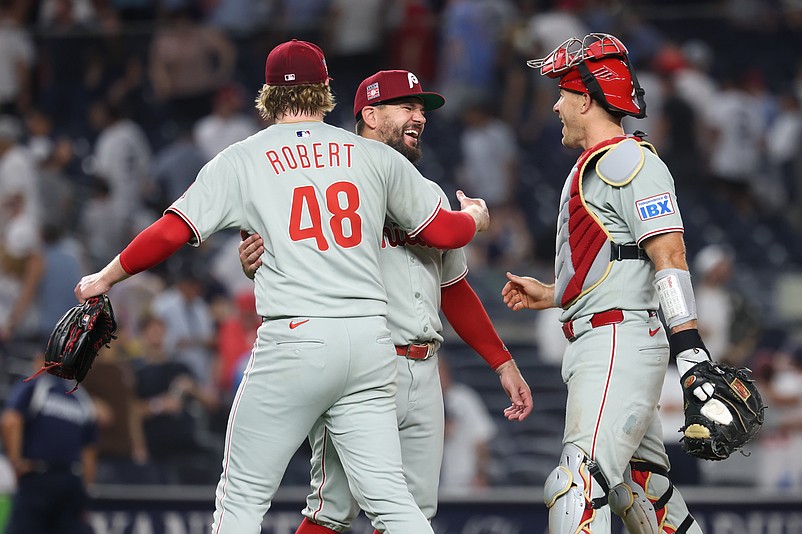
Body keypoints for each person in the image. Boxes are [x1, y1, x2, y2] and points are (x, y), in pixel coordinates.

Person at [73, 39, 490, 534]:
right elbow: (444, 233)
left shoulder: (243, 158)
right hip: (370, 342)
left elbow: (172, 230)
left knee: (243, 496)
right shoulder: (371, 155)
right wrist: (474, 218)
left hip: (297, 336)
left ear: (267, 93)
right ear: (326, 90)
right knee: (393, 504)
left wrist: (106, 276)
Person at [238, 69, 532, 533]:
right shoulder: (325, 184)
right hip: (363, 363)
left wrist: (501, 362)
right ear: (370, 115)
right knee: (332, 511)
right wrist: (255, 260)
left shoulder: (429, 193)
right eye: (407, 107)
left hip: (425, 367)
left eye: (422, 109)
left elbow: (453, 289)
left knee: (413, 514)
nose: (420, 117)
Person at [502, 33, 714, 534]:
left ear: (585, 98)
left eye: (561, 93)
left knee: (577, 481)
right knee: (643, 490)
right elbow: (624, 260)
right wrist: (557, 293)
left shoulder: (627, 160)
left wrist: (690, 350)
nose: (555, 104)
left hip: (616, 341)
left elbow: (670, 254)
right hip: (604, 335)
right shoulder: (602, 165)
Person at [1, 352, 98, 534]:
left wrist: (16, 463)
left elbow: (10, 421)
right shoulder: (81, 397)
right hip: (72, 480)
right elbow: (90, 452)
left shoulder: (36, 385)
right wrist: (83, 490)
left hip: (38, 476)